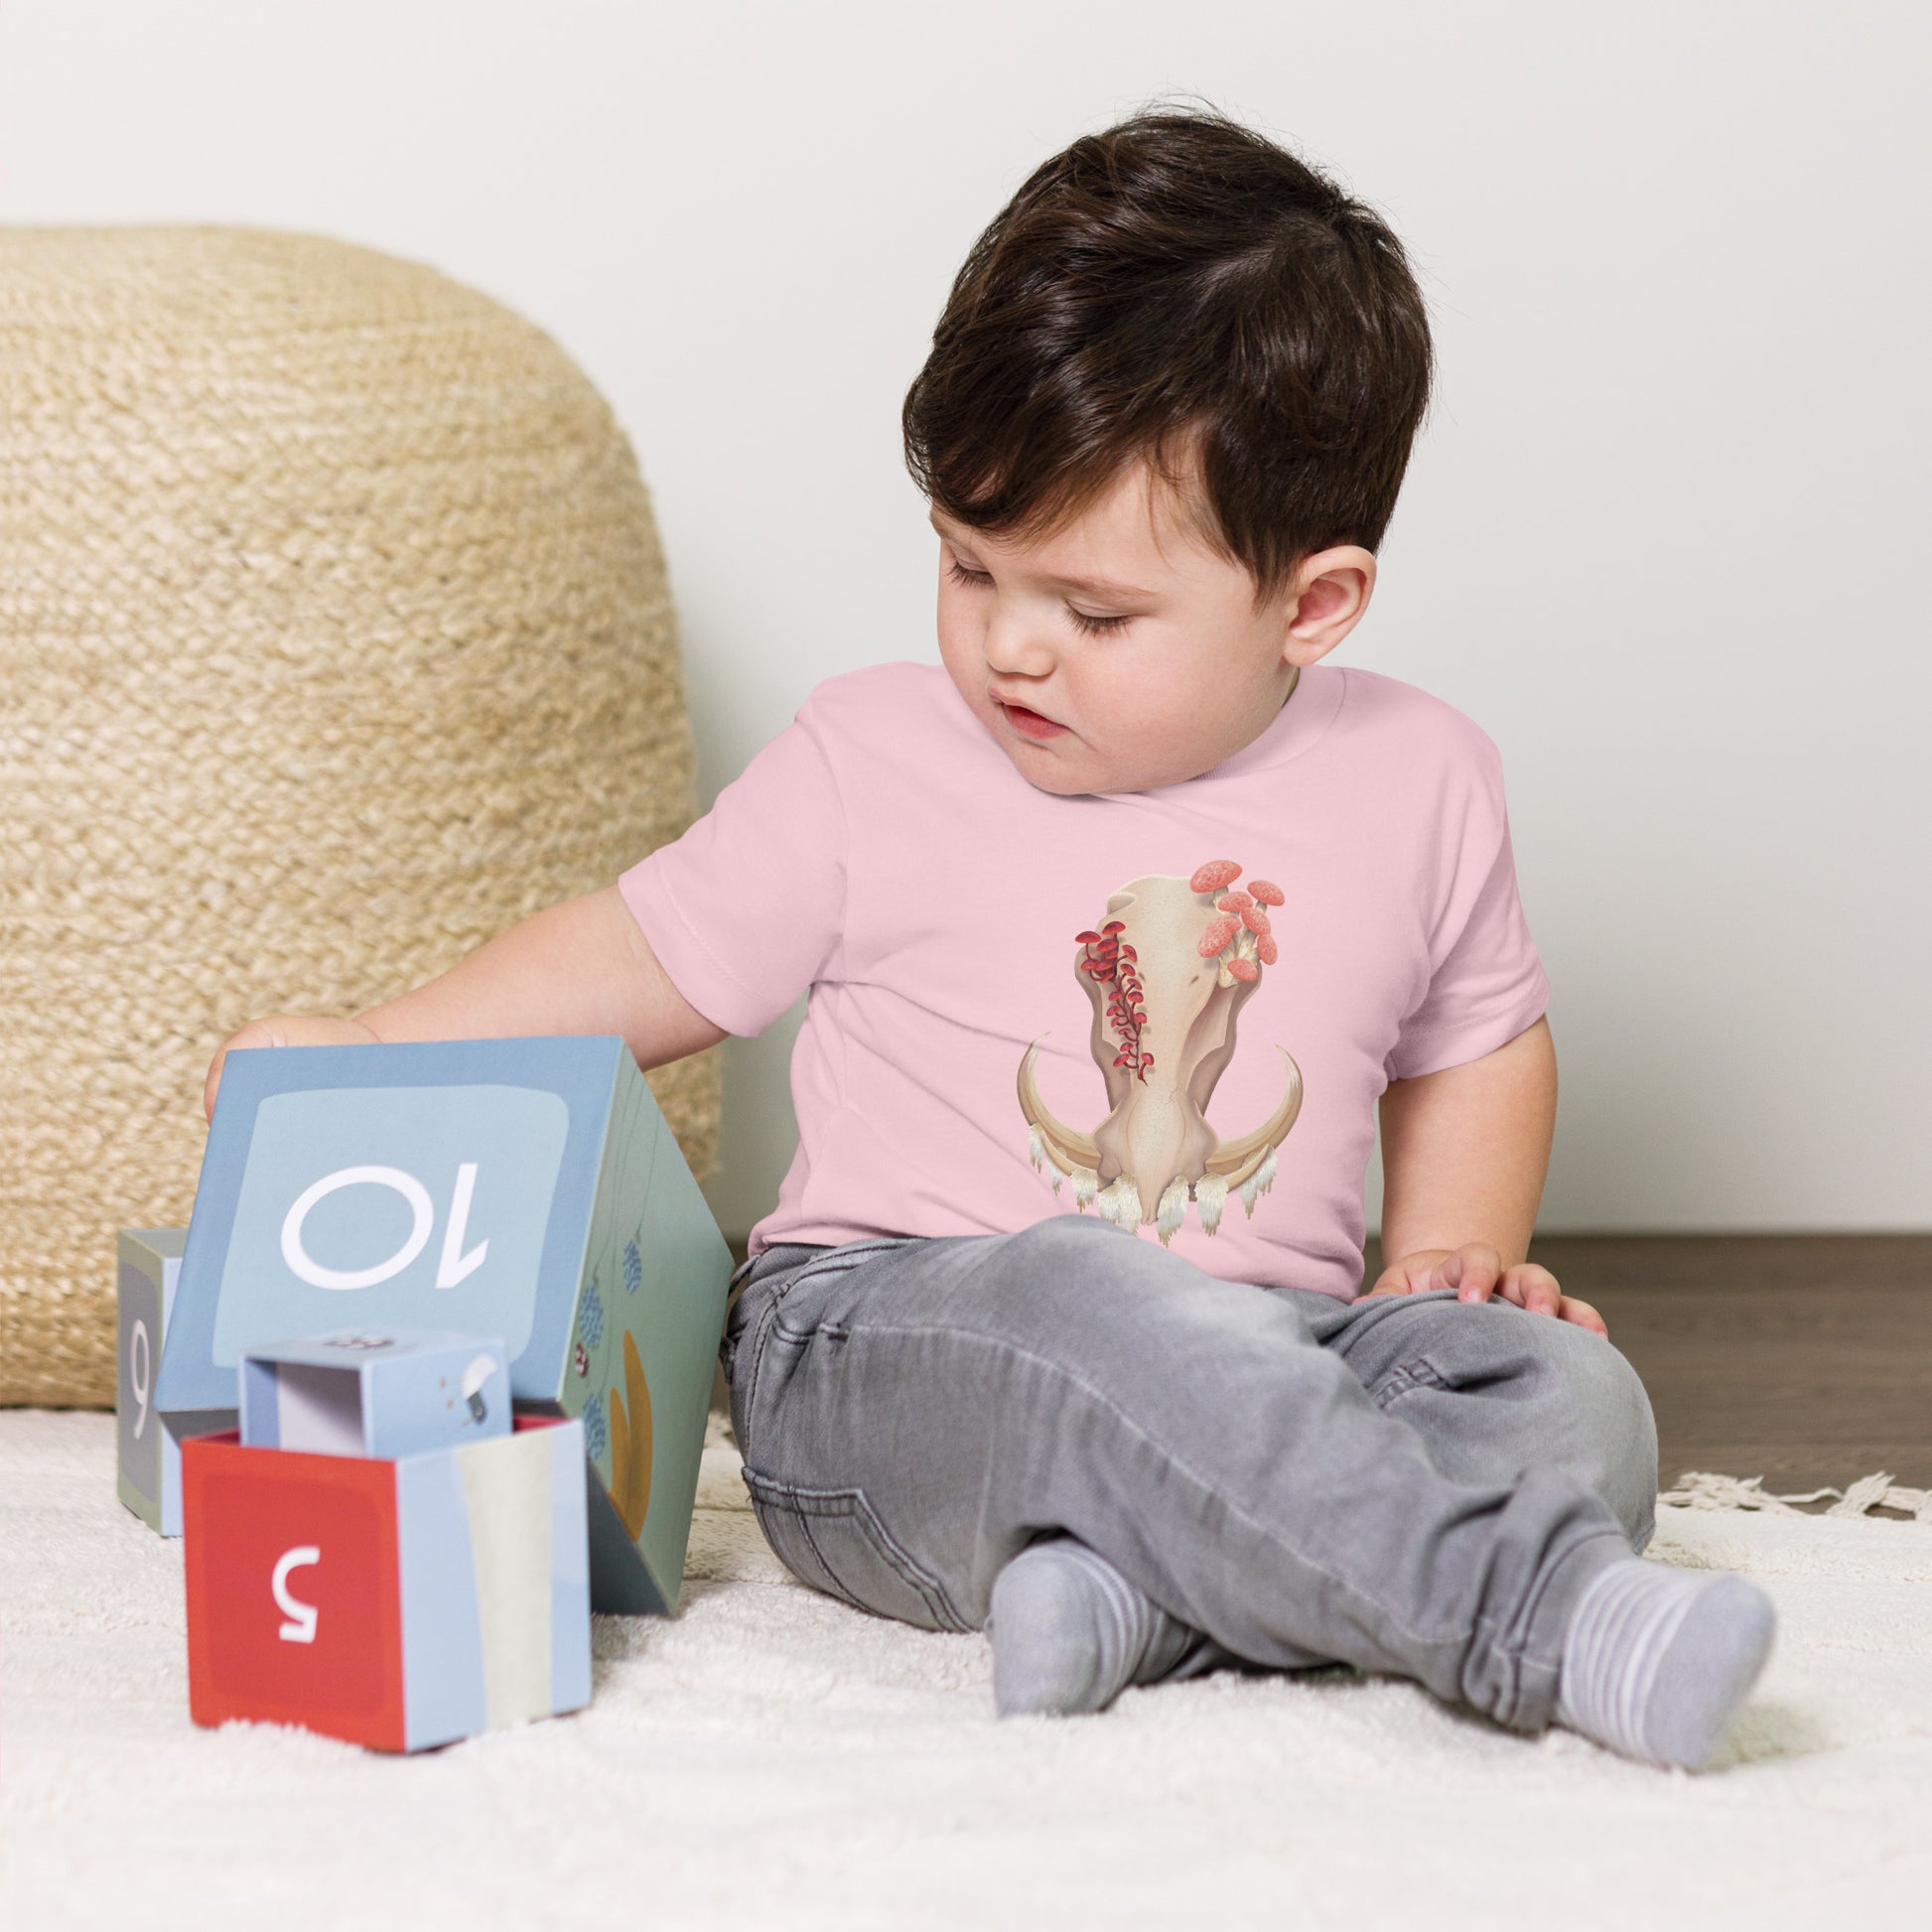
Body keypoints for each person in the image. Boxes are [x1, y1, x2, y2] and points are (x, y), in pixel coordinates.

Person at [206, 108, 1774, 1768]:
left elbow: (1477, 1033)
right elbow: (639, 952)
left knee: (1570, 1399)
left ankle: (1139, 1603)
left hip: (1282, 1349)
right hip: (890, 1347)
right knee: (1080, 1298)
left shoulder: (1422, 775)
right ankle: (1520, 1616)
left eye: (1093, 612)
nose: (1010, 647)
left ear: (1310, 604)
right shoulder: (867, 758)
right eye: (968, 565)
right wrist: (376, 1050)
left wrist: (1440, 1263)